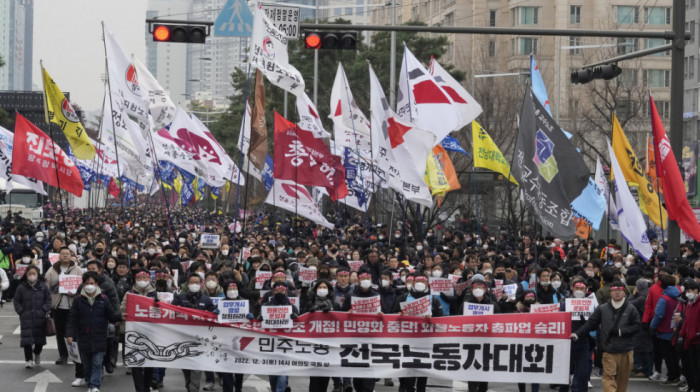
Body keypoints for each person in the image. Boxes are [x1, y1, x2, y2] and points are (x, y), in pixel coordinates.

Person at [571, 281, 641, 392]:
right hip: (609, 350)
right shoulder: (602, 308)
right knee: (608, 378)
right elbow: (590, 324)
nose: (617, 293)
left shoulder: (631, 308)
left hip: (626, 350)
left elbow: (637, 326)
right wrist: (577, 334)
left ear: (624, 293)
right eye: (614, 291)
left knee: (622, 381)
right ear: (610, 293)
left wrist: (621, 332)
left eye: (620, 291)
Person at [66, 271, 121, 392]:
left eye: (92, 283)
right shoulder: (78, 300)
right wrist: (70, 334)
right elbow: (72, 319)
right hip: (83, 337)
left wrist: (121, 316)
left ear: (97, 284)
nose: (90, 285)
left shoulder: (103, 299)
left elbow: (111, 315)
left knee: (97, 362)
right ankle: (89, 380)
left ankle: (94, 385)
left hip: (100, 337)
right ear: (83, 284)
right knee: (87, 364)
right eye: (87, 283)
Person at [43, 246, 84, 380]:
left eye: (67, 254)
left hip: (73, 306)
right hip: (58, 306)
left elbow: (83, 287)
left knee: (73, 332)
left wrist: (76, 293)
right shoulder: (52, 270)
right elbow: (46, 287)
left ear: (71, 255)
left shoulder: (78, 270)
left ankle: (75, 355)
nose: (65, 256)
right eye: (63, 254)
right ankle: (63, 355)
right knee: (60, 332)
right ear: (59, 256)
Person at [172, 273, 217, 392]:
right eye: (192, 282)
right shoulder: (180, 298)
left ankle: (194, 388)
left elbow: (214, 315)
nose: (194, 285)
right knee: (186, 365)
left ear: (201, 284)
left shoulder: (206, 300)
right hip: (183, 337)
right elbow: (170, 312)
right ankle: (189, 384)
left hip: (200, 339)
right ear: (187, 284)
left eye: (197, 282)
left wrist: (217, 311)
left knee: (197, 366)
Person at [13, 264, 51, 368]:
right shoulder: (21, 287)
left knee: (39, 340)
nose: (32, 276)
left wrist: (44, 309)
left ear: (38, 274)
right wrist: (21, 311)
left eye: (34, 273)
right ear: (26, 275)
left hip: (40, 317)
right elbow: (16, 301)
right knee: (27, 340)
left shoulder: (43, 286)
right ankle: (28, 360)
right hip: (26, 317)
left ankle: (37, 353)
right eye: (29, 274)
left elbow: (48, 299)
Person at [649, 274, 682, 385]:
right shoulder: (679, 296)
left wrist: (652, 327)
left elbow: (658, 315)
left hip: (664, 330)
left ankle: (672, 376)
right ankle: (677, 375)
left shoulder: (664, 298)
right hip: (676, 329)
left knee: (668, 356)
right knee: (675, 355)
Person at [677, 280, 699, 392]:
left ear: (696, 290)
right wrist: (682, 333)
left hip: (697, 340)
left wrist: (696, 333)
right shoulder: (690, 303)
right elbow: (687, 320)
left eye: (690, 291)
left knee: (697, 368)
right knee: (692, 367)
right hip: (689, 340)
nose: (687, 294)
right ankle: (693, 387)